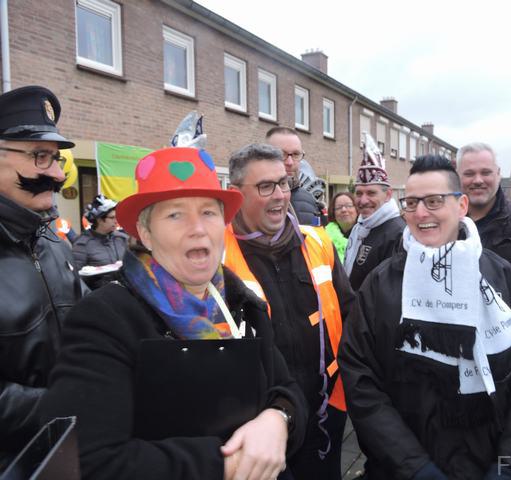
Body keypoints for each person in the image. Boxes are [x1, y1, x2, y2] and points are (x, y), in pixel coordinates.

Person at [40, 145, 307, 479]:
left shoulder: (243, 305)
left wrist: (278, 419)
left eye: (208, 212)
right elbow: (88, 460)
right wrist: (226, 464)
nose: (198, 228)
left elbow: (288, 390)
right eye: (175, 215)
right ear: (146, 233)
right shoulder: (105, 320)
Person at [339, 154, 511, 480]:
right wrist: (414, 467)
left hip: (492, 462)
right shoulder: (379, 285)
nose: (420, 213)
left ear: (461, 205)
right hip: (402, 470)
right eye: (411, 203)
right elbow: (361, 381)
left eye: (434, 201)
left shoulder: (504, 279)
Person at [224, 143, 355, 480]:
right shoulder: (217, 255)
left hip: (325, 411)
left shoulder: (318, 242)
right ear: (235, 195)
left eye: (283, 183)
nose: (280, 195)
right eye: (266, 186)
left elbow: (349, 314)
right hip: (259, 426)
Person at [0, 85, 86, 469]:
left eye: (56, 158)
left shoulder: (51, 239)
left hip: (68, 452)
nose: (58, 173)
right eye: (40, 157)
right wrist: (65, 403)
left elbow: (88, 315)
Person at [457, 142, 511, 271]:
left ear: (498, 174)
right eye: (469, 174)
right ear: (457, 176)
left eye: (486, 173)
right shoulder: (444, 222)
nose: (478, 180)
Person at [344, 134, 405, 290]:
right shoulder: (359, 227)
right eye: (359, 193)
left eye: (371, 193)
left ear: (388, 195)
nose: (363, 200)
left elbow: (389, 293)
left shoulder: (398, 234)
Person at [266, 127, 323, 225]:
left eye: (296, 154)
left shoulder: (309, 200)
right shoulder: (250, 198)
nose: (290, 162)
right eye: (281, 154)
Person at [72, 194, 128, 288]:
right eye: (112, 218)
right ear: (99, 219)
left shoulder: (121, 238)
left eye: (116, 217)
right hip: (97, 293)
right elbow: (75, 276)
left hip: (124, 291)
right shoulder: (82, 243)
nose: (116, 221)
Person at [326, 191, 358, 262]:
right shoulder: (324, 237)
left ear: (357, 209)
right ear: (333, 212)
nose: (344, 210)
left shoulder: (366, 234)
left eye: (349, 206)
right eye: (338, 207)